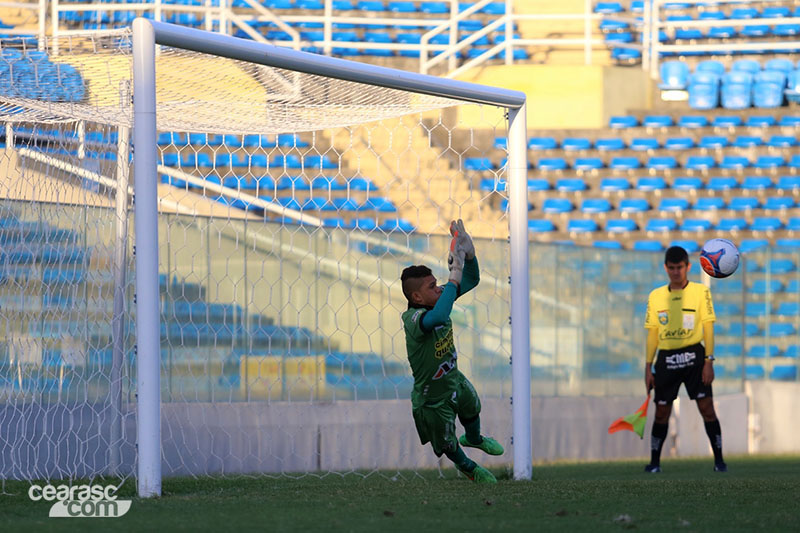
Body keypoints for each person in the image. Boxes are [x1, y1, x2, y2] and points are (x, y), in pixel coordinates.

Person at [400, 220, 503, 483]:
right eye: (431, 287)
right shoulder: (413, 319)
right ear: (417, 298)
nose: (438, 288)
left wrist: (469, 255)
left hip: (452, 378)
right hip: (431, 398)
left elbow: (471, 279)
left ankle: (475, 438)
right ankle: (470, 469)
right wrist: (453, 280)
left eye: (437, 283)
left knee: (472, 406)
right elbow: (439, 316)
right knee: (447, 443)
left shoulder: (440, 297)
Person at [643, 245, 726, 473]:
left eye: (679, 267)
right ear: (665, 268)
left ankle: (719, 461)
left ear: (688, 267)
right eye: (671, 268)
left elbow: (708, 327)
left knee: (707, 408)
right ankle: (654, 463)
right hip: (667, 359)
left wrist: (709, 360)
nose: (675, 272)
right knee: (661, 412)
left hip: (694, 357)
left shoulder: (701, 292)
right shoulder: (656, 296)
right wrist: (648, 366)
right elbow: (652, 333)